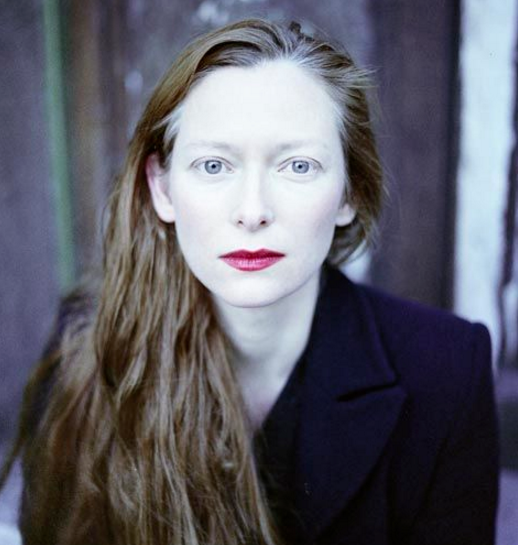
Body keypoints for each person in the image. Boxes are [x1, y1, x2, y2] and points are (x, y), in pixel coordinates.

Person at [0, 18, 499, 545]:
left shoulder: (446, 371)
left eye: (298, 166)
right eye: (214, 166)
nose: (253, 210)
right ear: (162, 189)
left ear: (349, 192)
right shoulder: (87, 344)